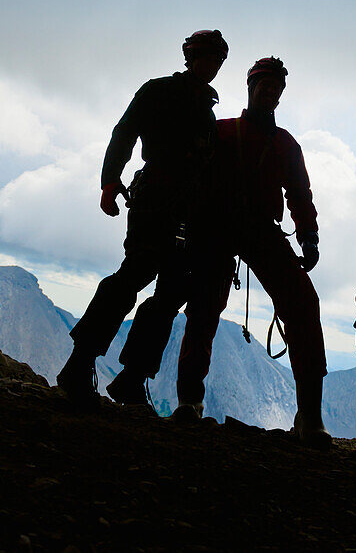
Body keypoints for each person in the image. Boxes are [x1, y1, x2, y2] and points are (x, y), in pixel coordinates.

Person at [56, 29, 229, 403]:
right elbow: (125, 132)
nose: (212, 65)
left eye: (217, 60)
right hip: (156, 198)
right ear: (191, 56)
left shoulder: (204, 107)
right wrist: (108, 181)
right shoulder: (160, 91)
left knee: (169, 291)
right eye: (208, 57)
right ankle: (80, 363)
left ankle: (132, 378)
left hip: (184, 207)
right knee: (136, 274)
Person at [173, 56, 330, 447]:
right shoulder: (228, 133)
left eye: (276, 88)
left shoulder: (267, 141)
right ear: (251, 87)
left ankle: (310, 416)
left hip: (246, 229)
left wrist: (309, 235)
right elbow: (195, 178)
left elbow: (299, 194)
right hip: (223, 228)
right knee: (206, 307)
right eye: (265, 86)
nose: (270, 93)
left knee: (302, 305)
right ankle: (190, 400)